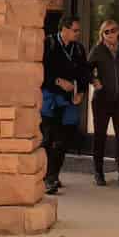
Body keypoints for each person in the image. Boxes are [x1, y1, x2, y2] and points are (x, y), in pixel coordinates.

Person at [40, 15, 88, 195]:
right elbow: (40, 69)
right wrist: (59, 81)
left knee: (62, 141)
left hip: (69, 102)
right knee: (48, 139)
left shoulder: (79, 49)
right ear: (64, 29)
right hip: (50, 100)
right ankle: (47, 177)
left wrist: (81, 92)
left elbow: (84, 73)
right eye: (75, 30)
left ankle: (52, 176)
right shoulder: (48, 44)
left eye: (78, 30)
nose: (78, 33)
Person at [88, 18, 119, 187]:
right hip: (101, 100)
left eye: (113, 30)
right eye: (106, 31)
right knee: (100, 136)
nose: (110, 34)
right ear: (102, 35)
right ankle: (98, 172)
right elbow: (86, 70)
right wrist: (94, 81)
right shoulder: (97, 50)